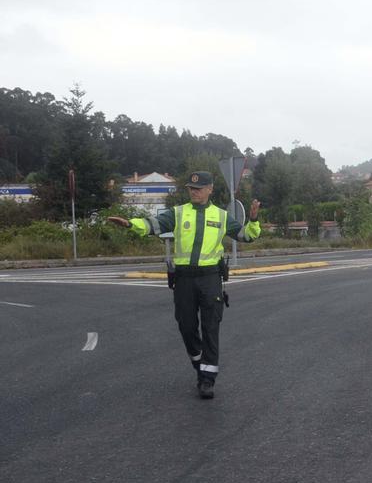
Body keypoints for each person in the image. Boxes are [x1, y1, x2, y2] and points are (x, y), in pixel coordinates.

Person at [108, 171, 262, 399]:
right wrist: (131, 224)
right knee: (186, 327)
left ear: (210, 189)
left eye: (199, 188)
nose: (194, 191)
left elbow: (246, 236)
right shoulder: (178, 213)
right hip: (184, 280)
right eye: (191, 188)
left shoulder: (221, 216)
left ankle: (207, 379)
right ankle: (199, 364)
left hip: (210, 278)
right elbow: (154, 224)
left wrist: (254, 221)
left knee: (210, 328)